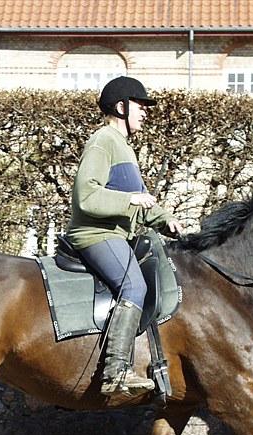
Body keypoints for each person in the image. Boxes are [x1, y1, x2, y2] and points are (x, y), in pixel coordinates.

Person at [65, 76, 183, 396]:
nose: (145, 112)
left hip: (116, 236)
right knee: (134, 285)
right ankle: (115, 372)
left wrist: (167, 220)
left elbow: (141, 204)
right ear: (121, 106)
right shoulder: (103, 140)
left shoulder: (126, 150)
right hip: (94, 234)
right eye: (140, 106)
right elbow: (85, 196)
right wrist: (128, 200)